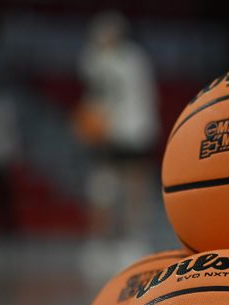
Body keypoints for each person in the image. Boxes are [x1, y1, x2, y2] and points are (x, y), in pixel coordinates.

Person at [76, 10, 160, 267]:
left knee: (134, 185)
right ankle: (100, 239)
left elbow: (141, 96)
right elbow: (96, 95)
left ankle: (133, 237)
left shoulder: (134, 58)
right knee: (103, 185)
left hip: (134, 128)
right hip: (108, 131)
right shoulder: (95, 59)